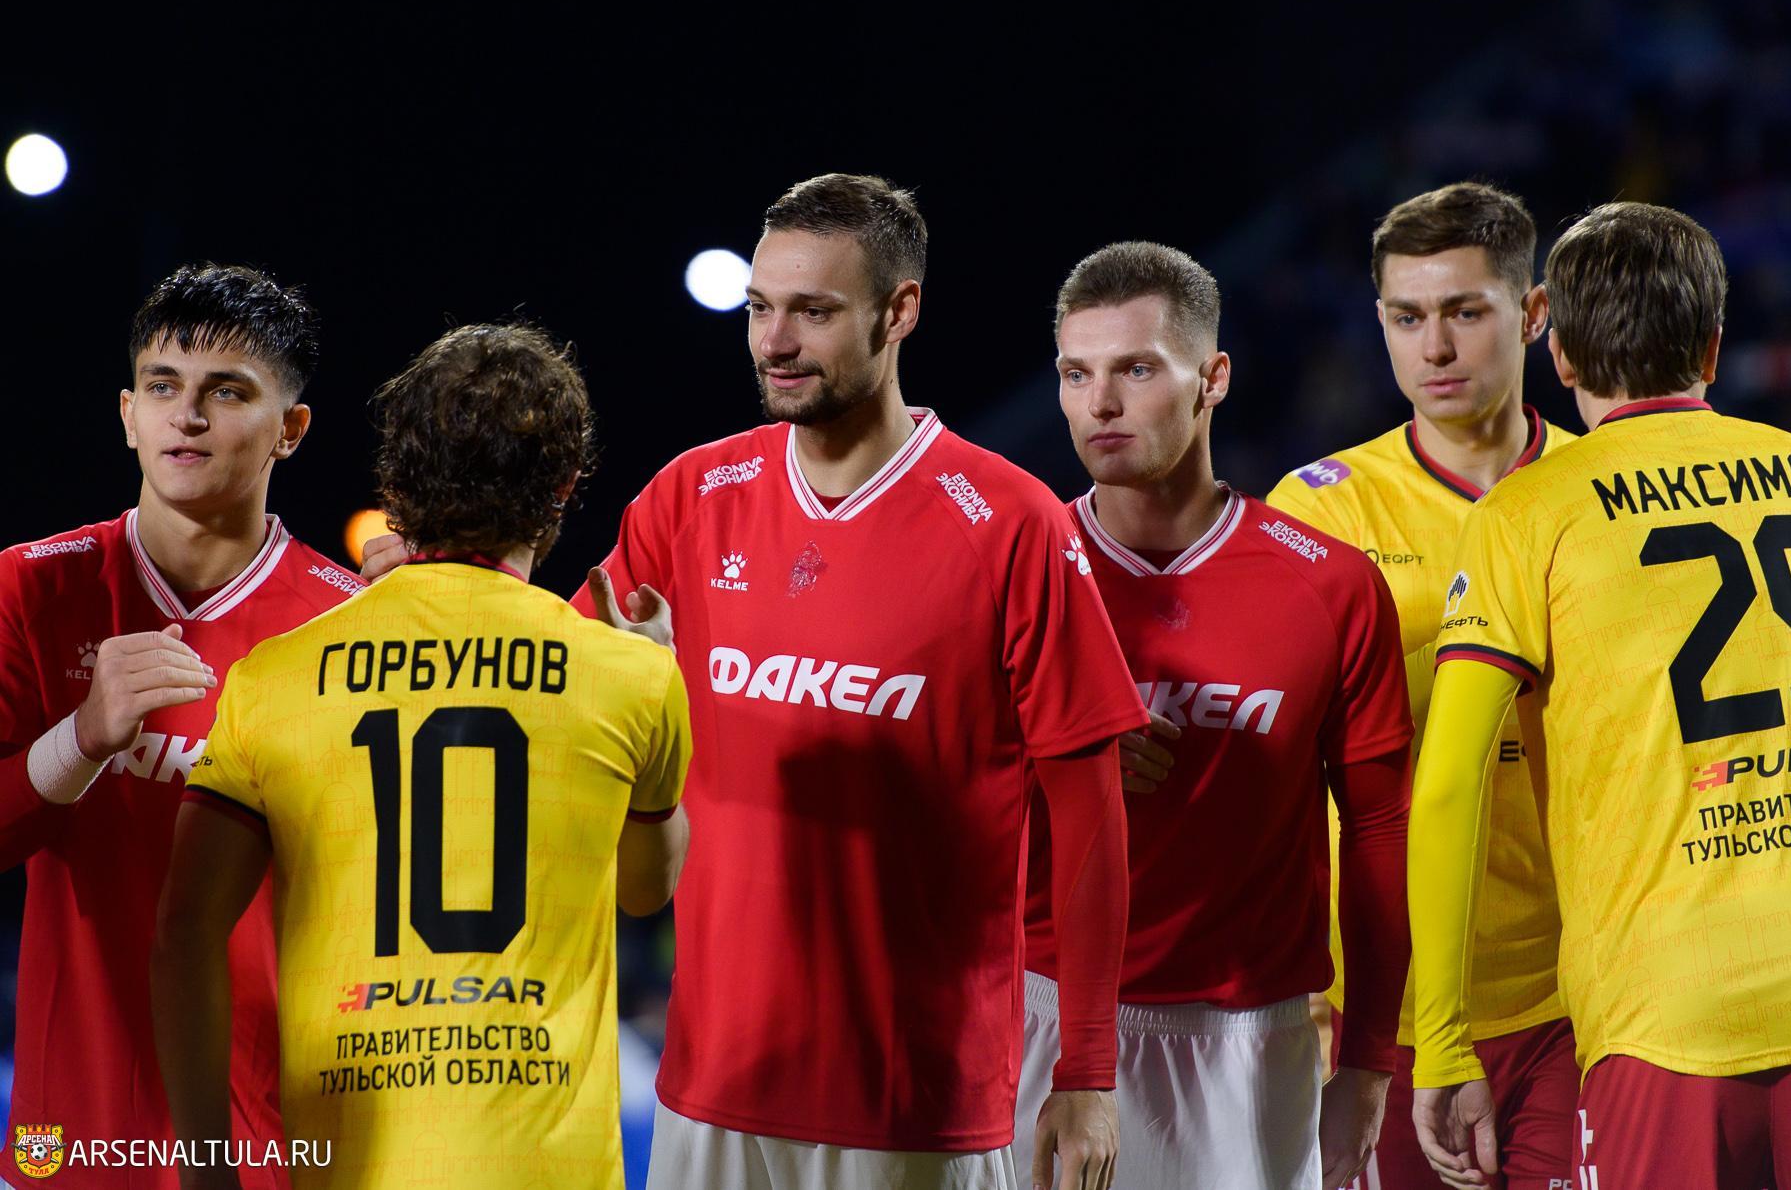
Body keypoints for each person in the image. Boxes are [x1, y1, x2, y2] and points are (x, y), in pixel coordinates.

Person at [584, 174, 1148, 1190]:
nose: (773, 341)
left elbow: (1090, 815)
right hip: (708, 1086)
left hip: (914, 1100)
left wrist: (1087, 1067)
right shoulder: (689, 498)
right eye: (760, 308)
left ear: (899, 311)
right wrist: (440, 582)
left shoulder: (1010, 522)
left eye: (813, 310)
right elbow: (553, 679)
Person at [1408, 203, 1791, 1190]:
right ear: (1712, 344)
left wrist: (1445, 1039)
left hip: (1666, 1002)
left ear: (1559, 355)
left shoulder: (1525, 514)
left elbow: (1447, 783)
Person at [153, 322, 694, 1189]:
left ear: (395, 485)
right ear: (563, 486)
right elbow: (645, 889)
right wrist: (657, 674)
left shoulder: (272, 677)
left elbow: (185, 932)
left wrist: (208, 1172)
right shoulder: (631, 673)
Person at [1014, 241, 1412, 1190]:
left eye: (1136, 369)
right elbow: (922, 799)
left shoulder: (1331, 586)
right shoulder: (1014, 568)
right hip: (1034, 1014)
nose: (1100, 403)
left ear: (1214, 378)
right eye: (1076, 373)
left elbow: (1379, 833)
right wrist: (1057, 757)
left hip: (1252, 1041)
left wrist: (1367, 1060)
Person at [0, 266, 357, 1189]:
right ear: (128, 414)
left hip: (271, 1143)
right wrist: (81, 737)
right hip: (69, 1137)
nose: (186, 416)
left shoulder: (349, 623)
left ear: (291, 428)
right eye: (162, 386)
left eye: (226, 391)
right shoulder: (30, 585)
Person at [1267, 183, 1578, 1189]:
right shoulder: (1321, 511)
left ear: (1532, 313)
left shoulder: (1598, 489)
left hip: (1577, 995)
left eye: (1463, 312)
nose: (1433, 347)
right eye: (1406, 318)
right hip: (1375, 1014)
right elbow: (1271, 768)